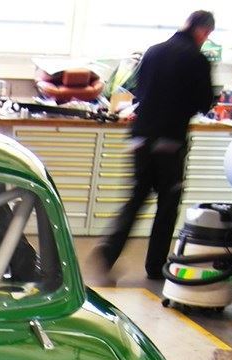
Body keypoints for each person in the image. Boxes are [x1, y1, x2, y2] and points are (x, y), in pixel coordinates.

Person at [92, 11, 216, 282]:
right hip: (170, 142)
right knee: (168, 204)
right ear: (203, 32)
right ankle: (155, 266)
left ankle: (109, 251)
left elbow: (138, 90)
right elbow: (204, 102)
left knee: (137, 198)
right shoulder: (197, 59)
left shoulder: (153, 51)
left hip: (140, 138)